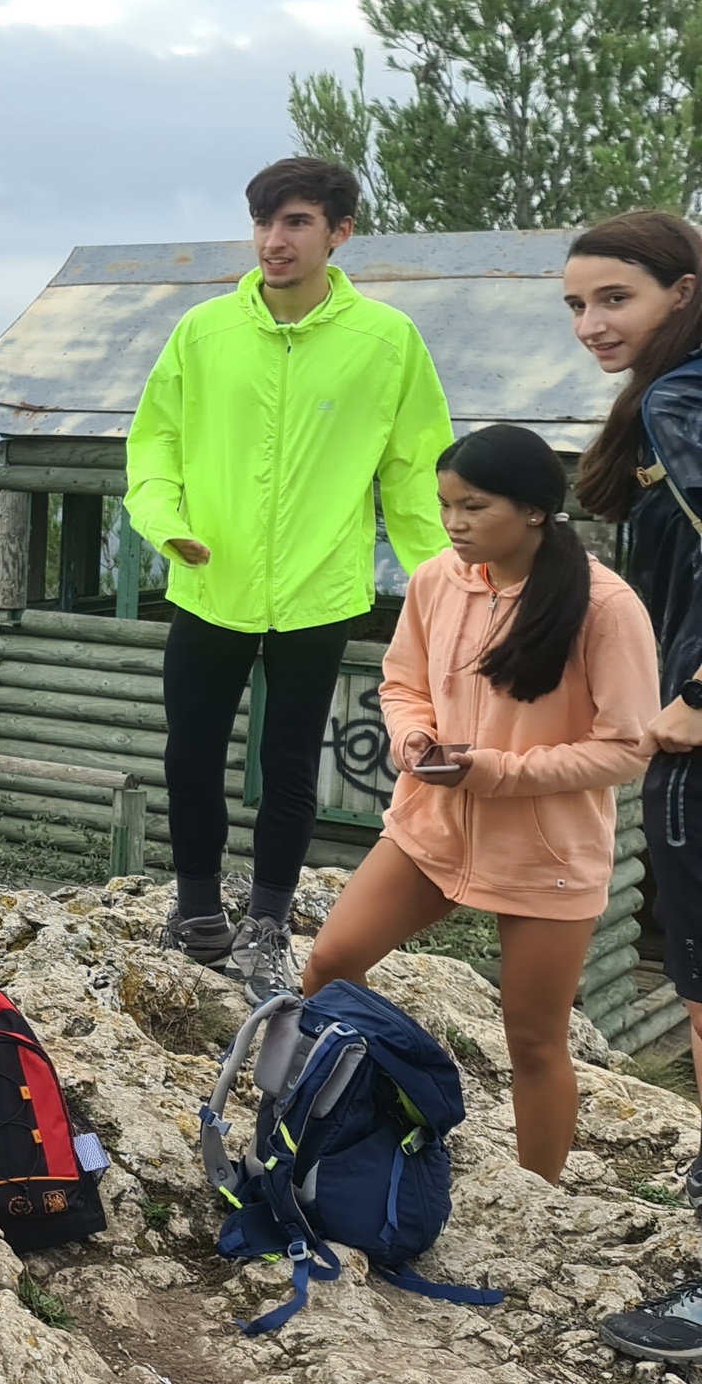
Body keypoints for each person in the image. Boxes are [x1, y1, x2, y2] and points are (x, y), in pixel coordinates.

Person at [124, 156, 455, 1001]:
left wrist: (446, 582)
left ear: (340, 232)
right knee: (190, 753)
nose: (275, 240)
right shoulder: (203, 331)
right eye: (264, 222)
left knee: (290, 762)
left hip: (319, 593)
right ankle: (198, 909)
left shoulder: (386, 341)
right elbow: (154, 441)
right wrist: (166, 522)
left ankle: (268, 925)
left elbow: (415, 471)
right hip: (209, 583)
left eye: (297, 222)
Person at [302, 425, 653, 1184]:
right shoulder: (437, 579)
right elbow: (402, 683)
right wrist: (413, 738)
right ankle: (367, 1124)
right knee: (329, 966)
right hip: (430, 825)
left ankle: (540, 1200)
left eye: (473, 506)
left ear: (534, 510)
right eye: (445, 505)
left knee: (533, 1041)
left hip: (546, 852)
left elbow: (628, 747)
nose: (453, 522)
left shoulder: (605, 605)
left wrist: (494, 771)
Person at [565, 212, 702, 1367]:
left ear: (684, 292)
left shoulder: (681, 400)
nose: (591, 324)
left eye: (616, 298)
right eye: (576, 305)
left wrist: (696, 694)